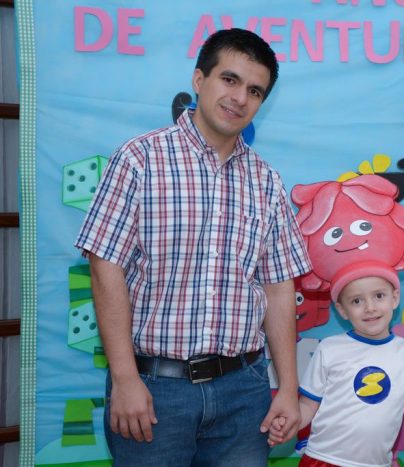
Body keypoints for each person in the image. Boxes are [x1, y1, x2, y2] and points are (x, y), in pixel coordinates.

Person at [74, 28, 311, 466]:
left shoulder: (266, 181)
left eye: (254, 90)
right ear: (200, 80)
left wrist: (288, 390)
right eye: (230, 79)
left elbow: (279, 288)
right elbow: (105, 269)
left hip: (245, 393)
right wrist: (124, 378)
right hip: (154, 390)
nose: (240, 98)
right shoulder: (139, 160)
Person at [266, 260, 404, 467]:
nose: (369, 307)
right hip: (322, 460)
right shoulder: (329, 349)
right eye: (356, 301)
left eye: (379, 296)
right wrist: (286, 426)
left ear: (394, 298)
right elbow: (306, 407)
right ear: (342, 310)